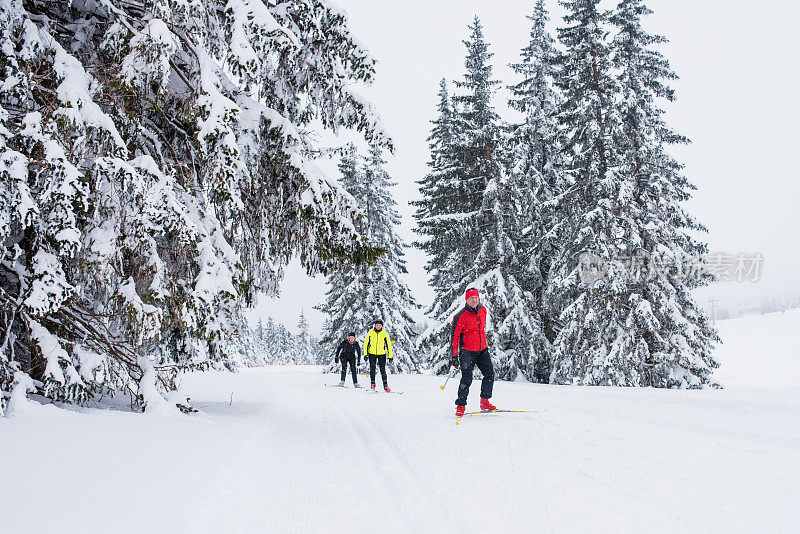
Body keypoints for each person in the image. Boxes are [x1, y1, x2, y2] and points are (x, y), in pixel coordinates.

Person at [451, 288, 496, 417]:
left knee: (489, 374)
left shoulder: (483, 311)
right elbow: (454, 337)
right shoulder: (460, 316)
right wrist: (454, 355)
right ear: (467, 300)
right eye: (471, 298)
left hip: (482, 350)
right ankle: (460, 406)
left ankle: (485, 402)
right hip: (467, 352)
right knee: (467, 379)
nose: (474, 300)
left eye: (476, 297)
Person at [363, 319, 393, 392]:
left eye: (379, 325)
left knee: (383, 370)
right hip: (372, 354)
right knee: (372, 369)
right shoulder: (370, 333)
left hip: (382, 354)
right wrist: (365, 354)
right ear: (375, 325)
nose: (378, 326)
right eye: (377, 325)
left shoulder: (385, 334)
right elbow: (366, 344)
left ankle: (385, 386)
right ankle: (372, 385)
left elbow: (389, 345)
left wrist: (390, 356)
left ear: (381, 326)